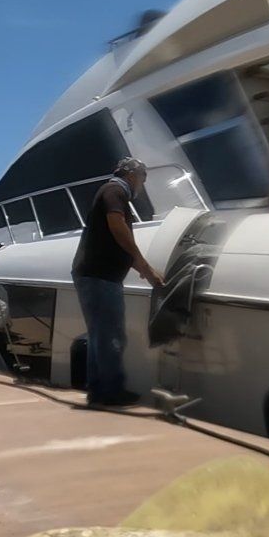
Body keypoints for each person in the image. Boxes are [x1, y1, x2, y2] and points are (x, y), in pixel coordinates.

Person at [71, 157, 162, 408]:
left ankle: (99, 390)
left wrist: (146, 272)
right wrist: (145, 266)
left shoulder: (112, 191)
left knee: (100, 334)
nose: (142, 185)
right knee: (111, 335)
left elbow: (119, 246)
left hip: (96, 274)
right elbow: (117, 226)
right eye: (143, 179)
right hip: (100, 276)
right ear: (134, 175)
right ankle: (110, 391)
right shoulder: (115, 191)